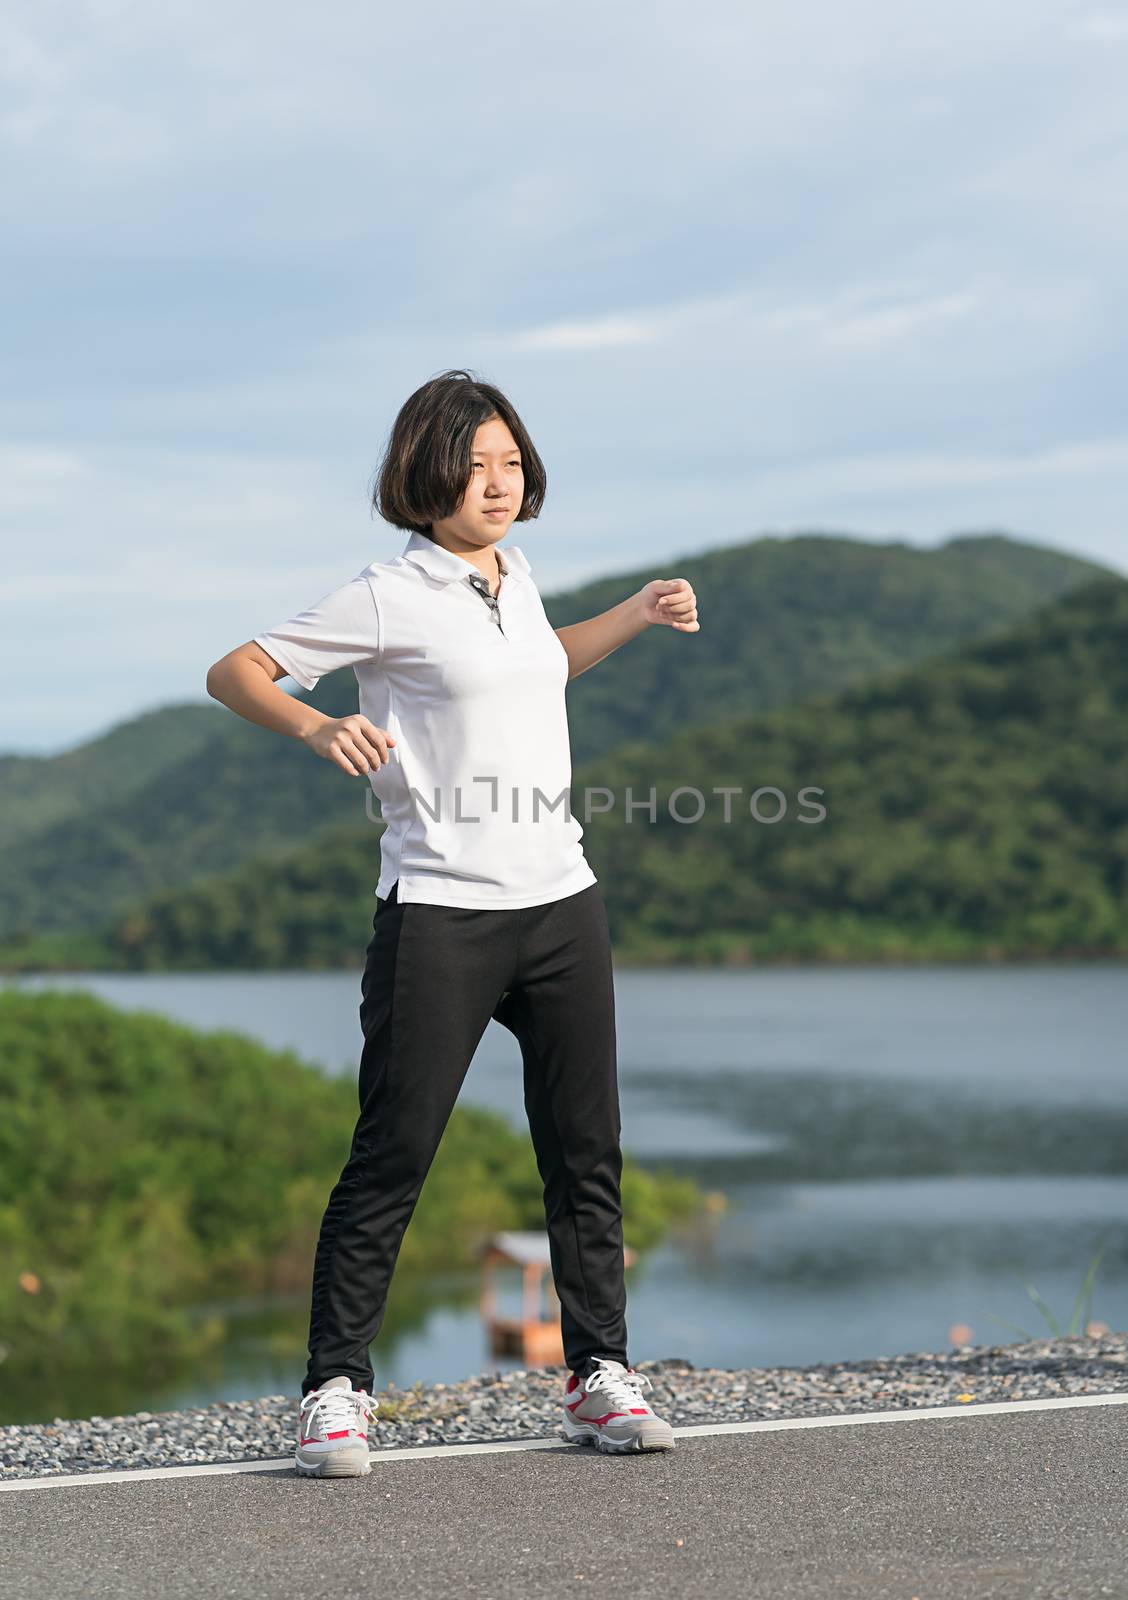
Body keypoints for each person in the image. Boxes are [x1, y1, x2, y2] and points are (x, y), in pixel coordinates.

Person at [206, 367, 700, 1477]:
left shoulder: (513, 579)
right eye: (476, 464)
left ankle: (598, 1374)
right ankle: (335, 1391)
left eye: (510, 463)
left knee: (586, 1152)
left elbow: (537, 669)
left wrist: (635, 610)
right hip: (440, 911)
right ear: (424, 472)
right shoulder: (388, 593)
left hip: (561, 903)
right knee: (394, 1153)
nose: (496, 481)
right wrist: (313, 725)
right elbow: (234, 669)